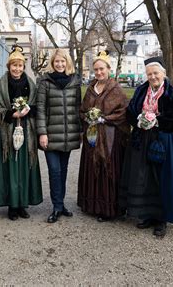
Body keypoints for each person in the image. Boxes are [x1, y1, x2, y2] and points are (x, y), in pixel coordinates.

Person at [119, 57, 173, 237]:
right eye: (149, 74)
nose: (152, 77)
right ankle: (147, 213)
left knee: (163, 178)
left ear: (163, 74)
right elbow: (130, 112)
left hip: (165, 140)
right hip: (142, 139)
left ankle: (162, 218)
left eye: (156, 73)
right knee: (144, 177)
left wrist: (157, 122)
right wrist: (138, 119)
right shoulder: (141, 90)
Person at [0, 45, 43, 220]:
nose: (17, 69)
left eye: (20, 65)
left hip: (26, 130)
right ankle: (12, 206)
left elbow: (36, 104)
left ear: (23, 66)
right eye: (14, 65)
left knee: (24, 168)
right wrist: (11, 114)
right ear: (9, 66)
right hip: (7, 130)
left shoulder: (30, 83)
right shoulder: (0, 84)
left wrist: (29, 110)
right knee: (10, 168)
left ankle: (22, 204)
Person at [77, 51, 129, 222]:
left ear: (108, 69)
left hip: (110, 138)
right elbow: (83, 110)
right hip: (92, 136)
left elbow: (123, 113)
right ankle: (91, 204)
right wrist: (89, 117)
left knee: (107, 171)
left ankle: (107, 208)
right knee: (92, 168)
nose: (99, 73)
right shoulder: (91, 89)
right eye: (96, 70)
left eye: (102, 69)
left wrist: (104, 118)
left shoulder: (116, 89)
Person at [36, 48, 81, 223]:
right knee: (54, 171)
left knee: (63, 171)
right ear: (52, 63)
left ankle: (61, 205)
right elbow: (40, 109)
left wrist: (80, 132)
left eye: (63, 61)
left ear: (67, 62)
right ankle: (56, 207)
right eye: (57, 62)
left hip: (68, 134)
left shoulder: (75, 82)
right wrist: (42, 133)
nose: (60, 64)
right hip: (50, 135)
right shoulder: (45, 82)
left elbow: (78, 108)